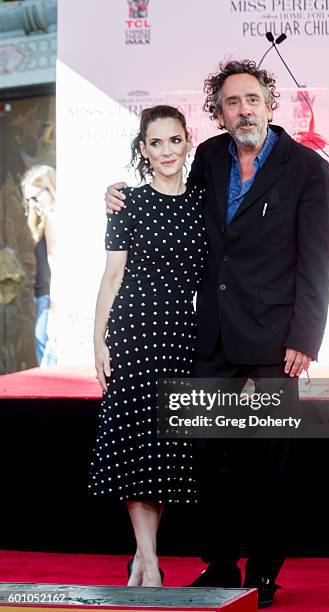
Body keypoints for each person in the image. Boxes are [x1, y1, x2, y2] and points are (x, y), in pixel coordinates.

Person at [105, 60, 329, 607]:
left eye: (251, 99)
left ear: (269, 103)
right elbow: (170, 200)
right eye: (231, 103)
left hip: (277, 340)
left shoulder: (307, 168)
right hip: (211, 335)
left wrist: (305, 336)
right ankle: (220, 561)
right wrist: (119, 194)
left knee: (270, 458)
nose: (243, 110)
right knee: (210, 454)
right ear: (219, 112)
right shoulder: (208, 157)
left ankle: (263, 568)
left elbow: (318, 260)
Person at [89, 105, 207, 588]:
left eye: (174, 141)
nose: (166, 151)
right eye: (155, 143)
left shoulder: (203, 201)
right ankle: (151, 560)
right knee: (138, 444)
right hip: (134, 332)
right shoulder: (128, 203)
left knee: (164, 450)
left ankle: (142, 559)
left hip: (182, 337)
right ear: (143, 150)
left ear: (187, 144)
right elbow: (112, 275)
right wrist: (98, 338)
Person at [21, 164, 57, 367]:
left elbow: (57, 263)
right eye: (29, 200)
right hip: (44, 295)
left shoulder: (54, 217)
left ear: (50, 188)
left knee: (49, 362)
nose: (33, 204)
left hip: (51, 299)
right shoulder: (47, 219)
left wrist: (55, 309)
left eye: (35, 197)